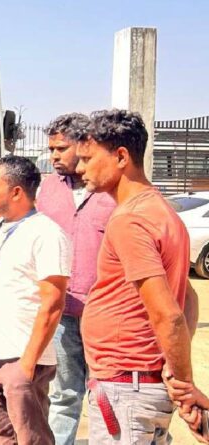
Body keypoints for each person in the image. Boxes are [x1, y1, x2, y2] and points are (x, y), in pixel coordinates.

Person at [77, 109, 198, 444]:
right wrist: (175, 372)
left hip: (126, 389)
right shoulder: (163, 212)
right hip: (138, 385)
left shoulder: (130, 219)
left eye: (87, 159)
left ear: (120, 157)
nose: (79, 168)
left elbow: (169, 315)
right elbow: (188, 297)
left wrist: (184, 384)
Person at [0, 155, 71, 445]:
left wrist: (28, 364)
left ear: (16, 191)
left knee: (32, 439)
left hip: (20, 358)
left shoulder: (46, 233)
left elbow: (53, 304)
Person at [36, 113, 117, 445]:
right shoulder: (47, 188)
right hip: (61, 313)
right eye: (51, 149)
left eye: (61, 148)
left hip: (107, 316)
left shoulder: (112, 188)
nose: (53, 156)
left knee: (107, 397)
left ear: (85, 146)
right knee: (64, 396)